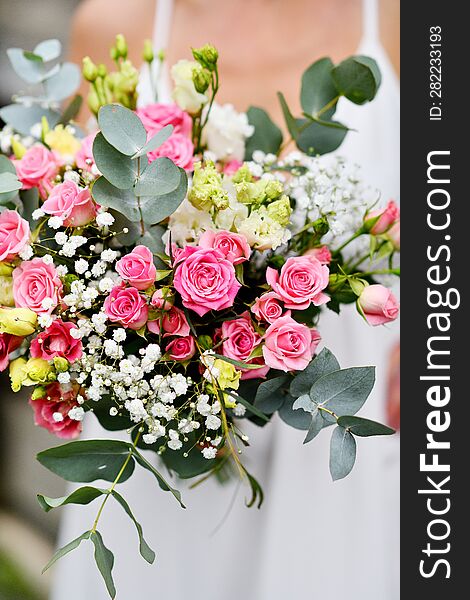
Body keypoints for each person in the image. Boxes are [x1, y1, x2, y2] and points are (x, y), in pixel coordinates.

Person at [50, 1, 400, 598]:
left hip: (338, 435)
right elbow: (73, 233)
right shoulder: (114, 24)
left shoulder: (412, 24)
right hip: (159, 445)